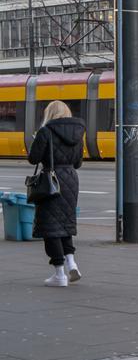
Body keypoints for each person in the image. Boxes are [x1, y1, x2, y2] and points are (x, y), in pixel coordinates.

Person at [28, 101, 85, 287]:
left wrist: (37, 140)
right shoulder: (77, 133)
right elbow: (78, 163)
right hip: (70, 178)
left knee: (50, 226)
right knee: (65, 222)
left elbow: (33, 159)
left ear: (49, 114)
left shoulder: (46, 132)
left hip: (51, 181)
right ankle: (71, 263)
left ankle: (59, 275)